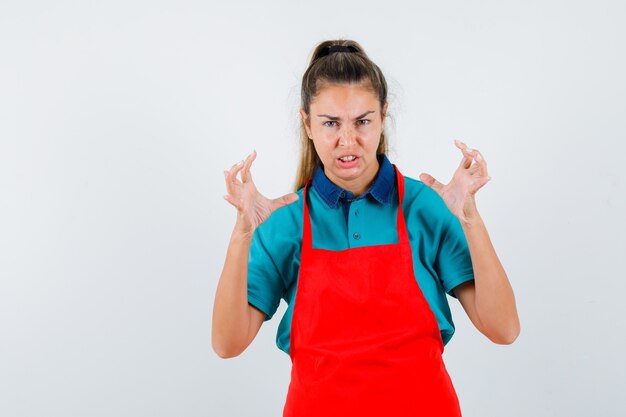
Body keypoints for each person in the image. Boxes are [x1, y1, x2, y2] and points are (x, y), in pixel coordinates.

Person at [212, 39, 520, 416]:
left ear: (382, 116)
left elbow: (503, 329)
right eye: (330, 123)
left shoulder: (423, 207)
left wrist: (470, 218)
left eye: (362, 121)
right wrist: (242, 233)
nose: (348, 141)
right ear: (307, 123)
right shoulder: (287, 221)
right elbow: (227, 344)